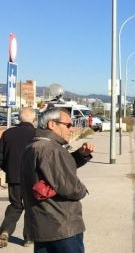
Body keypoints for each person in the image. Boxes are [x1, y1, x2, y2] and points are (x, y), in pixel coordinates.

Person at [20, 108, 95, 252]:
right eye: (67, 125)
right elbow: (69, 187)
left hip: (42, 225)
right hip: (61, 226)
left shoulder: (34, 146)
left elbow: (53, 172)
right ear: (51, 124)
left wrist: (80, 155)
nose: (71, 128)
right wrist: (82, 190)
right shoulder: (51, 149)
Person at [0, 107, 37, 248]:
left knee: (15, 205)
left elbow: (1, 157)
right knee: (31, 207)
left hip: (13, 176)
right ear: (33, 119)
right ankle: (29, 238)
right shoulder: (36, 133)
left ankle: (5, 231)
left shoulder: (8, 134)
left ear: (19, 118)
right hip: (32, 178)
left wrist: (7, 169)